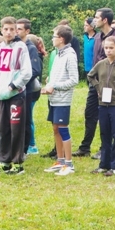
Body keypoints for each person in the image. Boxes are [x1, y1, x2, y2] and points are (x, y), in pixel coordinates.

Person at [73, 7, 115, 158]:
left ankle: (105, 149)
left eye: (97, 17)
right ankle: (85, 147)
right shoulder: (97, 37)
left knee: (107, 117)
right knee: (90, 113)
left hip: (110, 86)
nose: (94, 20)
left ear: (105, 20)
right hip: (95, 82)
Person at [0, 16, 32, 175]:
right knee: (3, 128)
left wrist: (13, 86)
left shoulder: (21, 47)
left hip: (16, 94)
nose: (8, 32)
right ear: (1, 30)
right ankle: (4, 161)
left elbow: (27, 72)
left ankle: (17, 162)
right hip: (1, 94)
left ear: (16, 30)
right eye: (5, 29)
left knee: (16, 128)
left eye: (12, 29)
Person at [88, 36, 115, 176]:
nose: (108, 50)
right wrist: (97, 87)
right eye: (106, 48)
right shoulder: (101, 64)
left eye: (111, 48)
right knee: (104, 134)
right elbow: (90, 75)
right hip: (103, 103)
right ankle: (104, 164)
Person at [42, 25, 79, 176]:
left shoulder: (70, 55)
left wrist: (55, 85)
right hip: (54, 99)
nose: (52, 39)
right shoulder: (58, 54)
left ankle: (69, 164)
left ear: (61, 39)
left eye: (54, 36)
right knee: (55, 128)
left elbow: (74, 80)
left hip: (63, 100)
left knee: (63, 129)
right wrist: (49, 81)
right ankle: (60, 160)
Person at [16, 18, 43, 156]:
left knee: (26, 119)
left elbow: (35, 70)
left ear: (27, 31)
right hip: (14, 90)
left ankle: (26, 148)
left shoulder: (30, 48)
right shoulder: (15, 45)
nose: (16, 31)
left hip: (27, 90)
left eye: (20, 28)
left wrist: (20, 81)